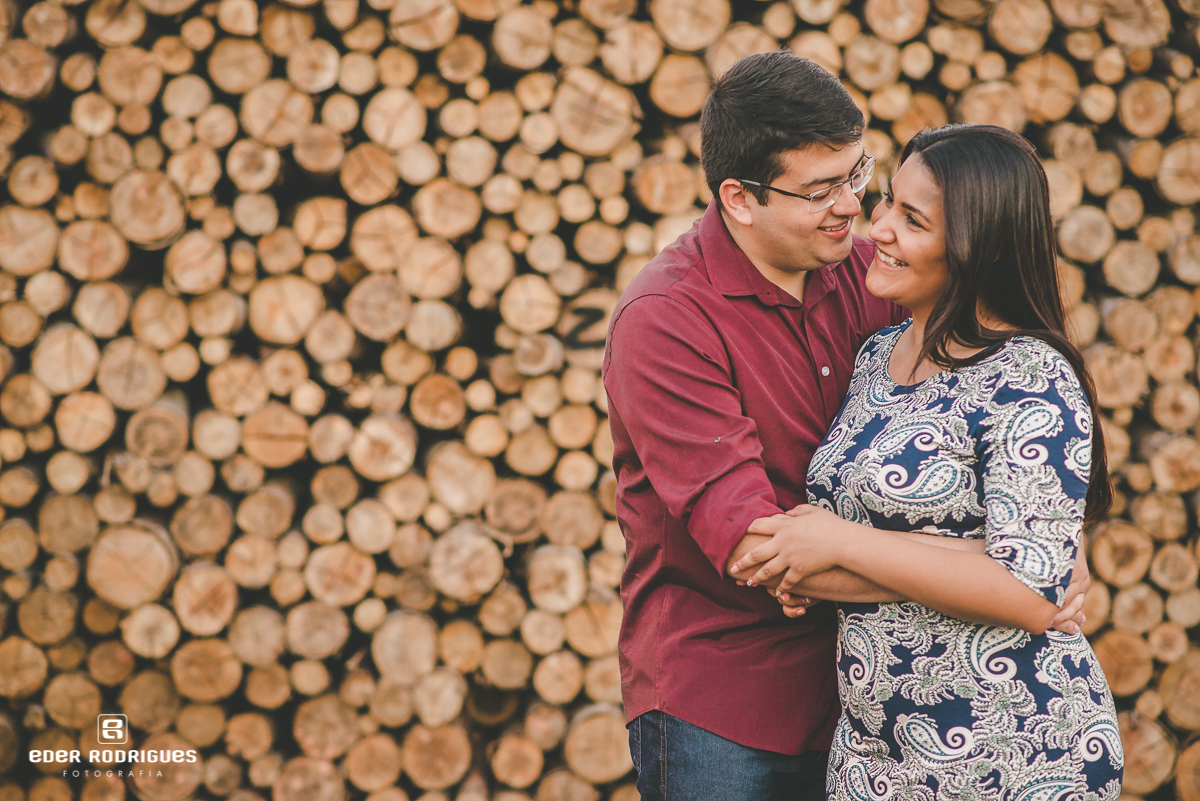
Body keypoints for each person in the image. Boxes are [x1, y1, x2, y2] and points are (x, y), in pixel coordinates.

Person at [603, 53, 1090, 801]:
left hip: (885, 717)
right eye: (820, 189)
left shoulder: (880, 280)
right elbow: (761, 550)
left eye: (856, 174)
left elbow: (1021, 431)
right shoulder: (667, 320)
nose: (853, 207)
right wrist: (1005, 575)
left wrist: (1046, 548)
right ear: (739, 197)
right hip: (726, 700)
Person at [731, 124, 1123, 798]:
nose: (876, 225)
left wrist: (836, 541)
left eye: (911, 219)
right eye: (887, 202)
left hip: (1014, 753)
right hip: (875, 759)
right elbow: (1009, 570)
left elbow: (1029, 592)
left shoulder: (1028, 376)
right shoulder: (876, 357)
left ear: (976, 247)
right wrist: (817, 566)